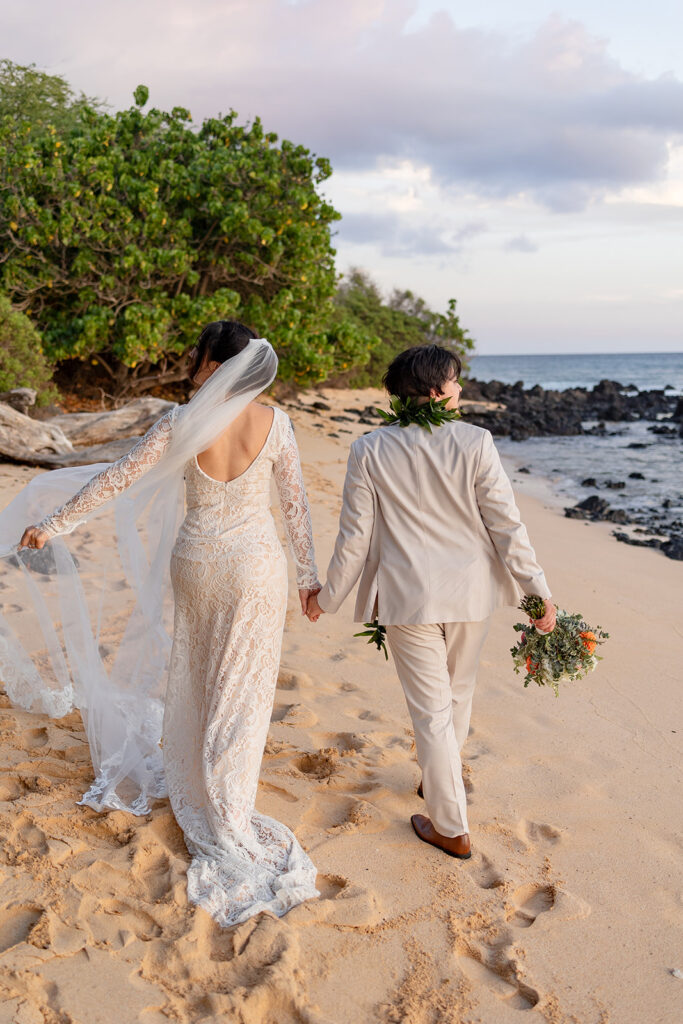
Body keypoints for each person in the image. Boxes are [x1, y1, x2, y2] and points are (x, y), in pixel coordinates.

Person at [8, 321, 321, 925]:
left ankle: (202, 787)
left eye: (198, 354)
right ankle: (228, 808)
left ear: (213, 364)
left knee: (197, 674)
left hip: (198, 564)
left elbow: (115, 480)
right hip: (255, 570)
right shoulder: (275, 422)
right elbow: (296, 507)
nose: (192, 362)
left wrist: (55, 524)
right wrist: (309, 579)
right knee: (243, 691)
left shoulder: (182, 423)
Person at [306, 344, 556, 861]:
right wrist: (538, 593)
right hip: (469, 593)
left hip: (406, 595)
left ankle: (450, 821)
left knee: (432, 712)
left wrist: (326, 599)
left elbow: (354, 537)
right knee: (456, 696)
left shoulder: (370, 448)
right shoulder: (475, 442)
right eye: (456, 383)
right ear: (438, 390)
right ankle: (443, 801)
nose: (460, 390)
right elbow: (506, 526)